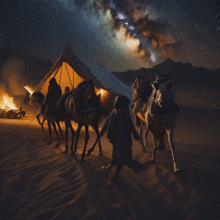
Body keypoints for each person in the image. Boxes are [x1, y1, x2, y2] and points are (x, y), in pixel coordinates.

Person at [99, 95, 144, 182]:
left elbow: (130, 126)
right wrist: (102, 132)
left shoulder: (122, 114)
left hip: (123, 139)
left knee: (118, 158)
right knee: (122, 158)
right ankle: (135, 167)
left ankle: (112, 172)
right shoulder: (119, 113)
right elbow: (108, 123)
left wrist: (136, 135)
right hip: (118, 140)